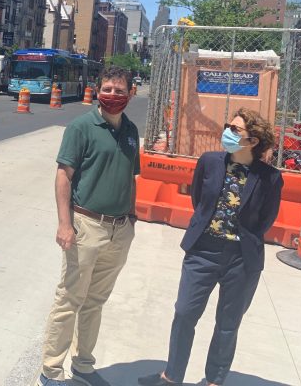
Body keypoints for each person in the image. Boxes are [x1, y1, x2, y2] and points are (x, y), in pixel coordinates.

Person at [139, 109, 283, 386]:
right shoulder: (210, 162)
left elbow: (266, 219)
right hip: (202, 251)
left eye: (235, 129)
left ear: (252, 141)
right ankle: (172, 376)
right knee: (184, 313)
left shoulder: (270, 178)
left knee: (228, 324)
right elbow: (199, 201)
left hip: (241, 260)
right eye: (228, 125)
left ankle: (214, 380)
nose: (227, 131)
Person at [37, 66, 139, 386]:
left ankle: (83, 365)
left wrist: (131, 220)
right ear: (97, 91)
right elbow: (63, 176)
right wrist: (65, 224)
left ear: (130, 94)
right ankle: (51, 370)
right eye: (107, 89)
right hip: (86, 225)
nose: (113, 95)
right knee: (70, 299)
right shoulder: (81, 127)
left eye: (120, 91)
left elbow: (128, 177)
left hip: (119, 230)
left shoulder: (132, 131)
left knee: (96, 301)